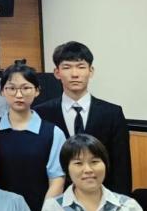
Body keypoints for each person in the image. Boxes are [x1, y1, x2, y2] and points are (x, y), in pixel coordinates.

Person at [34, 41, 132, 195]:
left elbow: (121, 167)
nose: (74, 74)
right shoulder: (41, 113)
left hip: (101, 196)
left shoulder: (112, 113)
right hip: (56, 198)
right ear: (57, 73)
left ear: (91, 71)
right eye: (67, 67)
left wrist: (119, 202)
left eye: (81, 67)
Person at [0, 64, 67, 211]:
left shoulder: (52, 133)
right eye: (11, 88)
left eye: (26, 88)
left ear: (37, 91)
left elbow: (57, 180)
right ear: (2, 91)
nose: (19, 94)